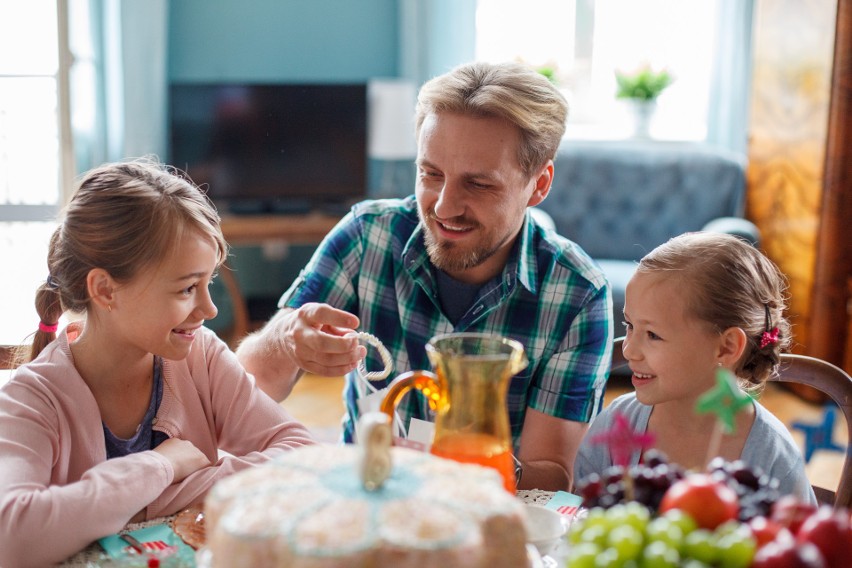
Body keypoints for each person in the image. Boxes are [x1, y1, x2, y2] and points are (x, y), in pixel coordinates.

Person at [236, 61, 614, 492]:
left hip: (484, 517)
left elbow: (553, 476)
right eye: (431, 174)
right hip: (362, 497)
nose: (443, 207)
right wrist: (287, 338)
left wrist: (460, 463)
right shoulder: (367, 235)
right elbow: (247, 386)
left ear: (539, 184)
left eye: (479, 184)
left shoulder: (578, 294)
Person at [0, 159, 315, 567]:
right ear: (105, 290)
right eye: (187, 288)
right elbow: (12, 538)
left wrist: (114, 507)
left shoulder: (202, 355)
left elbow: (301, 454)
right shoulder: (30, 400)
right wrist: (161, 465)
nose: (209, 309)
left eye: (209, 283)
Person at [574, 232, 816, 503]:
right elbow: (578, 517)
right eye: (629, 326)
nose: (628, 350)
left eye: (653, 334)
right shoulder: (617, 423)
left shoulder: (773, 456)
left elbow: (795, 539)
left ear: (726, 347)